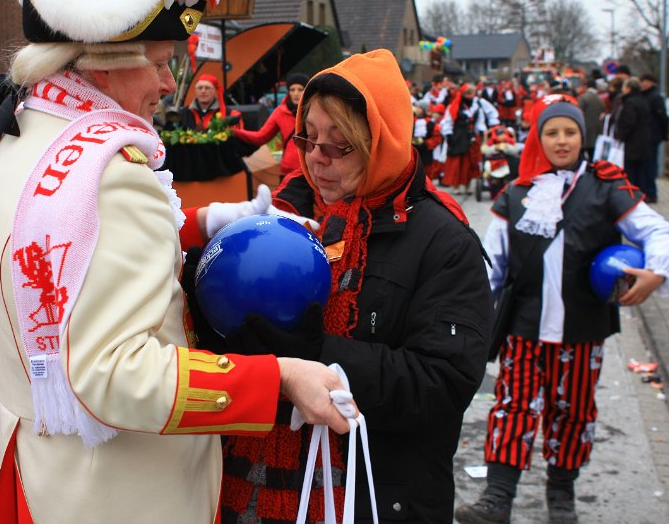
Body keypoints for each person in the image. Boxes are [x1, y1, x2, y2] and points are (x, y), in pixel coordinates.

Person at [0, 0, 354, 523]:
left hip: (40, 469)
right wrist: (277, 377)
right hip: (123, 489)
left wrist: (205, 221)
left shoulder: (0, 137)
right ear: (103, 67)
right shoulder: (111, 173)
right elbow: (113, 373)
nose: (167, 84)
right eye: (158, 64)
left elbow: (68, 257)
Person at [198, 49, 494, 523]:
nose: (317, 157)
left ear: (382, 143)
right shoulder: (278, 216)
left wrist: (320, 354)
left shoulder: (443, 241)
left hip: (370, 494)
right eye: (308, 138)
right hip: (249, 482)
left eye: (340, 145)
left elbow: (443, 384)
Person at [455, 96, 669, 524]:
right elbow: (490, 269)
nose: (561, 141)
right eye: (552, 132)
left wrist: (657, 272)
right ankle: (497, 496)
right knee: (513, 406)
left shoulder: (607, 187)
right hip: (523, 326)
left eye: (570, 132)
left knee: (574, 412)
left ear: (582, 136)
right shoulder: (515, 194)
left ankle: (562, 495)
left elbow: (657, 230)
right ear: (538, 138)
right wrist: (470, 320)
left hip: (583, 327)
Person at [231, 72, 308, 179]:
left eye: (300, 89)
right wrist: (233, 132)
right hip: (288, 172)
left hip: (311, 171)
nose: (295, 93)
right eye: (292, 90)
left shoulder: (314, 111)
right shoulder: (280, 112)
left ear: (306, 91)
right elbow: (260, 137)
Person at [440, 83, 499, 194]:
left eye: (472, 93)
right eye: (468, 94)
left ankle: (467, 186)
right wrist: (448, 134)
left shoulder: (478, 105)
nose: (470, 96)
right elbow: (448, 121)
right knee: (457, 162)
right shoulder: (454, 106)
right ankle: (456, 186)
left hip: (471, 136)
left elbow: (480, 121)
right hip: (458, 136)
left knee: (470, 162)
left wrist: (483, 131)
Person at [613, 76, 654, 199]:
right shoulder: (643, 100)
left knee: (631, 171)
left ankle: (632, 196)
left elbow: (628, 122)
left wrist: (620, 135)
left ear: (628, 88)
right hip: (643, 141)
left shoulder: (630, 102)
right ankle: (644, 194)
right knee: (641, 171)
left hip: (633, 143)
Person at [640, 73, 669, 203]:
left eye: (645, 81)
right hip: (645, 136)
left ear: (652, 83)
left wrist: (663, 134)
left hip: (652, 136)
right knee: (645, 166)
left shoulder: (655, 97)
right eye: (642, 81)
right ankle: (646, 191)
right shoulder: (644, 96)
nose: (643, 84)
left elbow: (663, 118)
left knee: (650, 165)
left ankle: (651, 193)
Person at [177, 73, 242, 131]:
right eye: (200, 88)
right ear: (195, 91)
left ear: (215, 91)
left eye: (207, 88)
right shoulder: (183, 114)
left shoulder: (230, 114)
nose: (203, 91)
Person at [576, 78, 605, 159]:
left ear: (586, 86)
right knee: (593, 153)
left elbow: (579, 112)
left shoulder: (583, 98)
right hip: (597, 129)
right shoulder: (600, 99)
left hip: (585, 129)